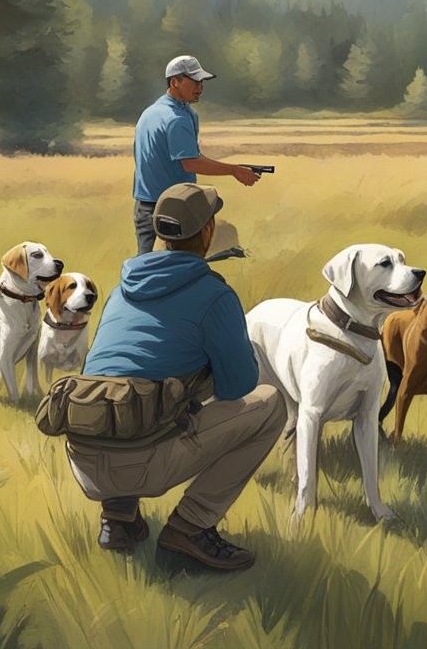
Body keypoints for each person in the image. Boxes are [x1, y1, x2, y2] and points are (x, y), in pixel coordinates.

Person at [70, 182, 284, 570]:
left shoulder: (121, 291)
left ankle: (117, 519)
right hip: (143, 465)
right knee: (270, 405)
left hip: (84, 462)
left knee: (132, 389)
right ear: (208, 230)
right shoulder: (215, 295)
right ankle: (191, 526)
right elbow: (240, 387)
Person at [132, 55, 260, 255]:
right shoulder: (178, 118)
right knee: (182, 270)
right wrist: (235, 171)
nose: (200, 87)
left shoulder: (150, 112)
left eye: (202, 81)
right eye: (194, 81)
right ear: (175, 82)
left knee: (145, 269)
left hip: (144, 207)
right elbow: (191, 163)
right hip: (174, 210)